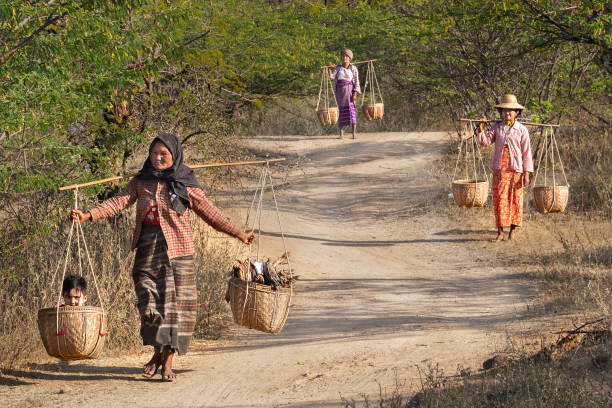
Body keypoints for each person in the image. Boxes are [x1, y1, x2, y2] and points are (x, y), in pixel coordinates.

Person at [71, 133, 255, 382]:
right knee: (149, 304)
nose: (157, 158)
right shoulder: (141, 182)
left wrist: (239, 233)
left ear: (174, 156)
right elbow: (117, 203)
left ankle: (166, 360)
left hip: (179, 253)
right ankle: (157, 352)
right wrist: (88, 215)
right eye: (154, 153)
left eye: (163, 154)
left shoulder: (185, 184)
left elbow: (211, 213)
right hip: (148, 248)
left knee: (174, 309)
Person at [477, 94, 533, 241]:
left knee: (515, 199)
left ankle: (512, 231)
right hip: (500, 169)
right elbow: (485, 142)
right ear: (501, 112)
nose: (507, 113)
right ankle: (500, 232)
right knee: (500, 199)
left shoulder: (522, 130)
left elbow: (526, 153)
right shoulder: (497, 128)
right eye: (505, 110)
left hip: (516, 170)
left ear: (516, 112)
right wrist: (480, 127)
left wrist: (526, 173)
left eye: (511, 110)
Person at [329, 48, 361, 139]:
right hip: (340, 93)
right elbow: (331, 78)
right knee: (341, 112)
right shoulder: (338, 68)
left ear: (350, 58)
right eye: (343, 56)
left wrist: (355, 94)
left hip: (350, 93)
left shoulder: (353, 68)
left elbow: (357, 82)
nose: (345, 58)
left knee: (352, 111)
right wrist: (329, 69)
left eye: (347, 56)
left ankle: (354, 133)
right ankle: (341, 133)